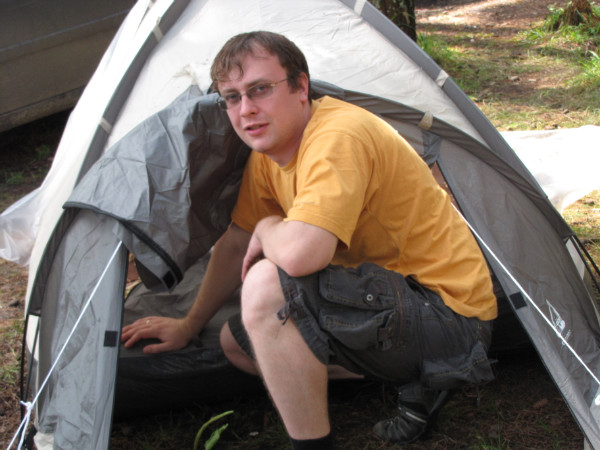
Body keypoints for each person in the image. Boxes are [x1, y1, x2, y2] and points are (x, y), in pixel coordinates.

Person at [121, 31, 498, 450]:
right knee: (238, 343)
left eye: (260, 89)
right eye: (232, 97)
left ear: (301, 87)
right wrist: (189, 324)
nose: (246, 110)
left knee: (266, 286)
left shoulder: (338, 136)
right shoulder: (270, 154)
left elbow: (301, 256)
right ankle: (419, 378)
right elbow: (236, 241)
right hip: (392, 302)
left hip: (449, 316)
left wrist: (268, 229)